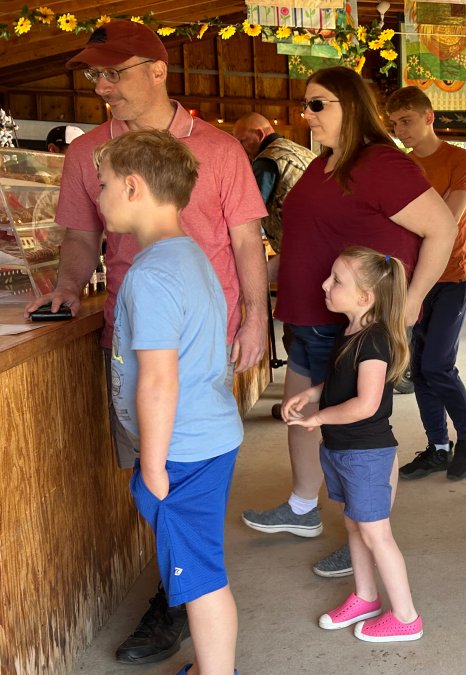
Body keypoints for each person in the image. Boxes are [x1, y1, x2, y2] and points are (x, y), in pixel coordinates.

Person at [27, 20, 268, 666]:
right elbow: (78, 238)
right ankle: (181, 586)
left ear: (157, 70)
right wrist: (69, 288)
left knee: (170, 486)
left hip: (190, 351)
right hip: (143, 345)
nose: (102, 87)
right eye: (94, 75)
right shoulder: (89, 155)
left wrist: (256, 318)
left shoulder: (219, 149)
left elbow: (247, 242)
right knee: (173, 495)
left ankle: (185, 600)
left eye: (114, 72)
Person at [239, 67, 456, 580]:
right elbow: (304, 242)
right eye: (307, 104)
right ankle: (301, 508)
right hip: (309, 316)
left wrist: (411, 300)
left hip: (352, 323)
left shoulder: (380, 163)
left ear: (351, 107)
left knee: (359, 440)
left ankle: (365, 533)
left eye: (318, 105)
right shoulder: (325, 165)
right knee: (301, 419)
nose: (305, 115)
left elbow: (442, 229)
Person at [98, 130, 242, 675]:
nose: (101, 194)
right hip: (205, 438)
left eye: (105, 184)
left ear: (133, 187)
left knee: (199, 578)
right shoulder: (188, 256)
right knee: (201, 566)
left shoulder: (151, 275)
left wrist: (152, 464)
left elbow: (159, 381)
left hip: (179, 452)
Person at [283, 246, 423, 642]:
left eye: (336, 280)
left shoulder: (375, 341)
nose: (325, 285)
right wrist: (313, 394)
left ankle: (406, 617)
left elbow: (366, 403)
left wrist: (320, 416)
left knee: (376, 533)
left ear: (365, 298)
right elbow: (344, 382)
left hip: (366, 455)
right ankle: (364, 596)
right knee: (354, 525)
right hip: (342, 451)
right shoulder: (351, 332)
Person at [385, 86, 466, 482]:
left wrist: (416, 221)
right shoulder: (400, 166)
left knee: (437, 364)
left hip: (452, 276)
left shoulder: (460, 159)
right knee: (421, 370)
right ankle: (438, 446)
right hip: (411, 280)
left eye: (406, 121)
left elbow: (446, 218)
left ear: (429, 117)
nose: (400, 131)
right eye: (394, 125)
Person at [230, 113, 316, 282]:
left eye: (243, 141)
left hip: (297, 251)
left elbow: (248, 215)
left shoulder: (267, 160)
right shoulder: (301, 151)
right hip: (320, 243)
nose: (241, 147)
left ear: (260, 135)